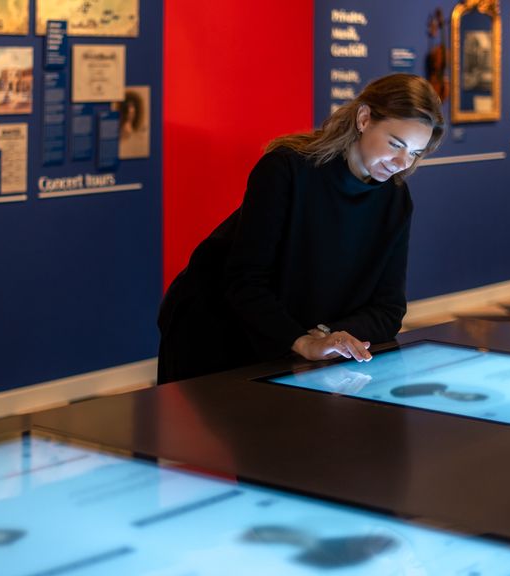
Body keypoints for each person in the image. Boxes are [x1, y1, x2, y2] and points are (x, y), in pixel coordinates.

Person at [157, 74, 444, 384]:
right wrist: (301, 341)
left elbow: (389, 309)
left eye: (415, 152)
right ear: (364, 119)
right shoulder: (285, 170)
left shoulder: (395, 199)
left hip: (298, 347)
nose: (402, 162)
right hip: (217, 334)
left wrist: (324, 336)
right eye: (395, 143)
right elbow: (245, 282)